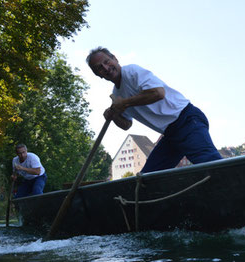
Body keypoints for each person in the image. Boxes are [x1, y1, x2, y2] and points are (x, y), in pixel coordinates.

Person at [86, 46, 222, 173]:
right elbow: (126, 125)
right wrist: (114, 116)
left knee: (212, 165)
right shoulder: (117, 95)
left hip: (186, 120)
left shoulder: (132, 72)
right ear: (98, 75)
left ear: (115, 59)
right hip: (170, 133)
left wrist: (124, 103)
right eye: (100, 68)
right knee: (148, 177)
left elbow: (158, 93)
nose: (106, 68)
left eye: (107, 61)